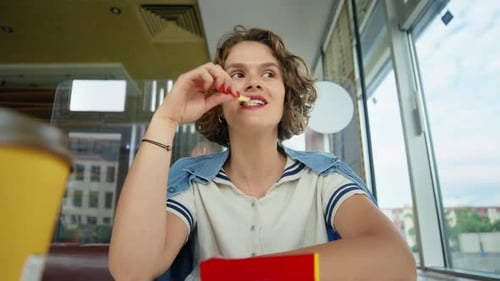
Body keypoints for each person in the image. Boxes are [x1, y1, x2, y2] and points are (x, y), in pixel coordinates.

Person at [108, 25, 416, 280]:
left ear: (286, 98)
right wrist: (166, 119)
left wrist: (231, 276)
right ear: (218, 102)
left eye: (269, 74)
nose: (254, 82)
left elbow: (393, 261)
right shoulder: (192, 182)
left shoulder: (325, 176)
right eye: (238, 74)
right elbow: (132, 270)